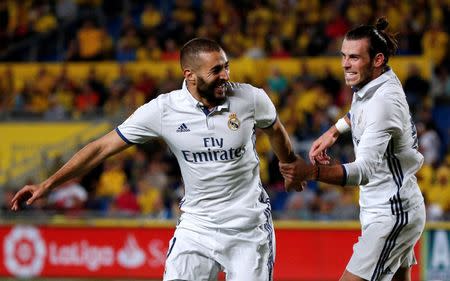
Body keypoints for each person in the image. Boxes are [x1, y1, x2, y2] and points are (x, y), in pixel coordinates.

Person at [11, 38, 304, 281]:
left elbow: (274, 128)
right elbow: (101, 148)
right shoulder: (164, 110)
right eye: (216, 70)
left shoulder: (250, 98)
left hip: (248, 228)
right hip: (197, 227)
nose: (226, 76)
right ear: (189, 74)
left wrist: (288, 163)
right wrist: (48, 184)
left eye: (227, 66)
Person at [280, 18, 426, 281]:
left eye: (355, 57)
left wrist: (309, 172)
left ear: (378, 59)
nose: (345, 63)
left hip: (391, 212)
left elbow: (363, 172)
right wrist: (334, 130)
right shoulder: (374, 83)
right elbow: (358, 111)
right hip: (392, 205)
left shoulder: (383, 103)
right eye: (344, 56)